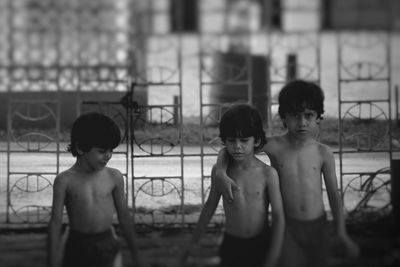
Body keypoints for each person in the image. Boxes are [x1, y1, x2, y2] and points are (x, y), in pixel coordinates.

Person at [215, 80, 360, 267]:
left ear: (318, 117)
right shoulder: (274, 146)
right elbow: (233, 149)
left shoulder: (323, 153)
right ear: (283, 117)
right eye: (294, 115)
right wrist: (220, 172)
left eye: (309, 115)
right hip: (287, 228)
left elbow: (334, 195)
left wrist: (341, 233)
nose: (301, 123)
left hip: (318, 225)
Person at [181, 104, 285, 267]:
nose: (237, 146)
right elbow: (210, 207)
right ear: (224, 141)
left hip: (261, 243)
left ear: (256, 140)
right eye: (231, 140)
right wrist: (193, 242)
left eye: (244, 140)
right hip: (231, 243)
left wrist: (274, 255)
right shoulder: (220, 172)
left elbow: (278, 216)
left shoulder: (267, 174)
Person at [48, 112, 146, 267]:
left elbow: (124, 216)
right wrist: (52, 260)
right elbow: (55, 223)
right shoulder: (64, 181)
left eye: (111, 150)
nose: (108, 156)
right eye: (101, 151)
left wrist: (136, 255)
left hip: (107, 243)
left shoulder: (114, 177)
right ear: (80, 148)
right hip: (76, 245)